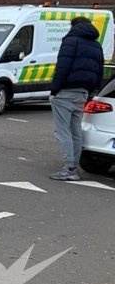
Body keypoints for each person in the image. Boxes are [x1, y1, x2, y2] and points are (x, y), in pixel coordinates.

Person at [49, 16, 105, 181]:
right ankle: (73, 166)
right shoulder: (96, 45)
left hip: (66, 90)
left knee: (62, 130)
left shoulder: (71, 41)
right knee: (75, 130)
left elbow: (63, 67)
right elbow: (99, 71)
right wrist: (92, 91)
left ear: (73, 26)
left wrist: (54, 90)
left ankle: (69, 167)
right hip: (83, 91)